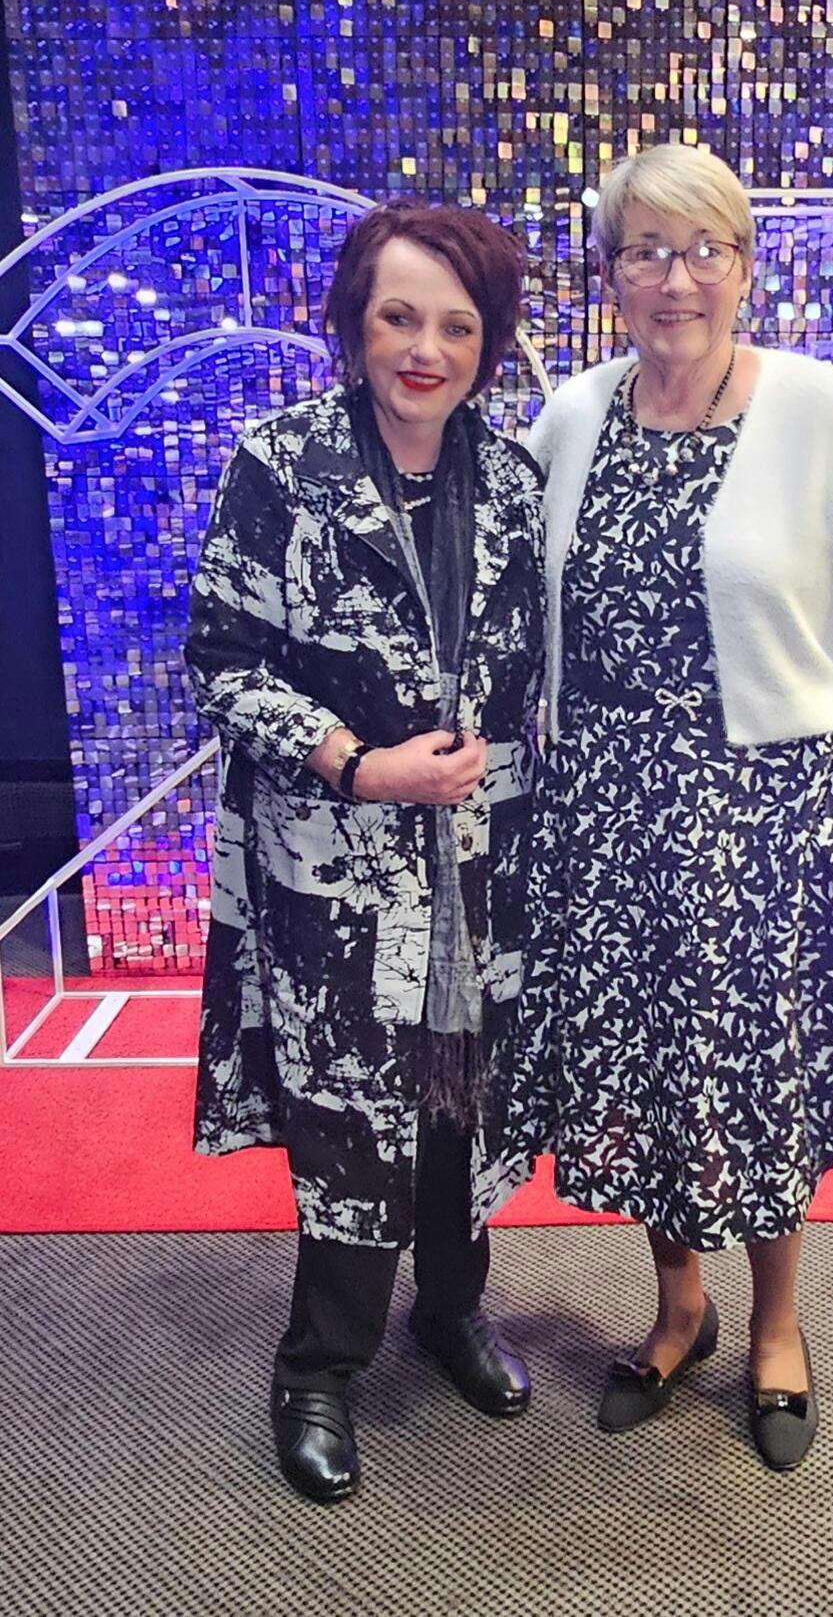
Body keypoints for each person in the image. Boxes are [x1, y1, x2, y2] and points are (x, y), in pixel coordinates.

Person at [474, 143, 833, 1472]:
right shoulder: (574, 415)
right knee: (641, 1071)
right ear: (611, 275)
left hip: (760, 818)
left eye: (703, 251)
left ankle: (778, 1326)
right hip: (605, 810)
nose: (674, 280)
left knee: (757, 1079)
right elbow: (512, 594)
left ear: (744, 268)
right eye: (645, 253)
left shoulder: (824, 409)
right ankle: (680, 1308)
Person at [186, 202, 545, 1502]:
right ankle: (320, 1368)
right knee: (350, 1115)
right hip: (335, 868)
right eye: (399, 317)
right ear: (355, 321)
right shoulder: (281, 465)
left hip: (478, 867)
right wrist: (356, 760)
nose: (425, 350)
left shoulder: (513, 480)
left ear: (486, 344)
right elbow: (221, 660)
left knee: (459, 1097)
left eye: (456, 326)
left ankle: (449, 1309)